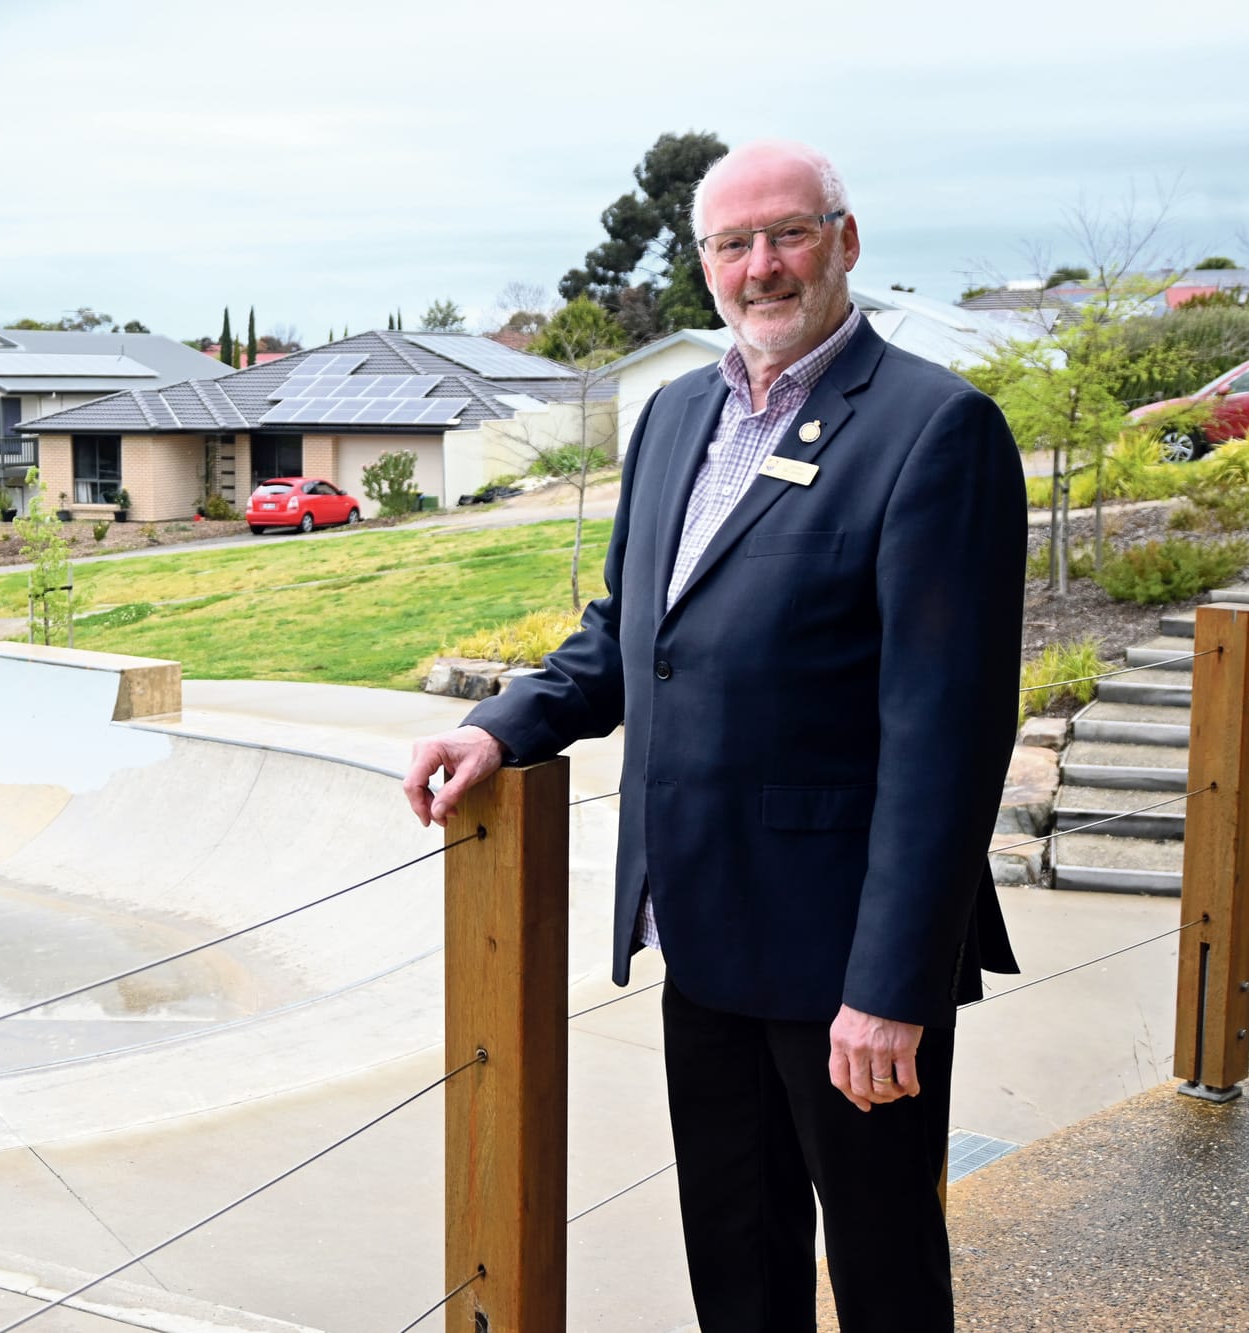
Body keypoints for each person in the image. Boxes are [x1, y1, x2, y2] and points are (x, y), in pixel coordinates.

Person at [402, 140, 1024, 1331]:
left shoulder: (933, 429)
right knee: (734, 1262)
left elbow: (945, 737)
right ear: (702, 266)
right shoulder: (675, 413)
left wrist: (890, 989)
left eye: (785, 234)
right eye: (731, 245)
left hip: (847, 958)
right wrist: (503, 725)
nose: (760, 268)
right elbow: (632, 628)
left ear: (844, 241)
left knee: (885, 1269)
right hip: (699, 923)